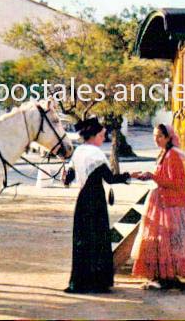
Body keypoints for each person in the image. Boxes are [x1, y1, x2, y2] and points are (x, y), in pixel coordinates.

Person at [63, 117, 130, 293]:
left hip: (82, 200)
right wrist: (129, 176)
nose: (103, 138)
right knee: (98, 240)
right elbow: (110, 179)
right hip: (96, 200)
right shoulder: (95, 154)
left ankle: (79, 282)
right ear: (93, 136)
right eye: (101, 135)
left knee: (82, 240)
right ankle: (97, 282)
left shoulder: (78, 152)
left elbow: (68, 178)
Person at [131, 124, 185, 289]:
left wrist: (152, 176)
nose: (156, 139)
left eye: (159, 136)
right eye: (154, 136)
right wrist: (145, 175)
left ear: (168, 137)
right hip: (161, 201)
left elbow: (175, 183)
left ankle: (167, 276)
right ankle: (161, 276)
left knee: (167, 241)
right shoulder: (164, 154)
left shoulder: (172, 155)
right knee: (160, 242)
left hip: (169, 204)